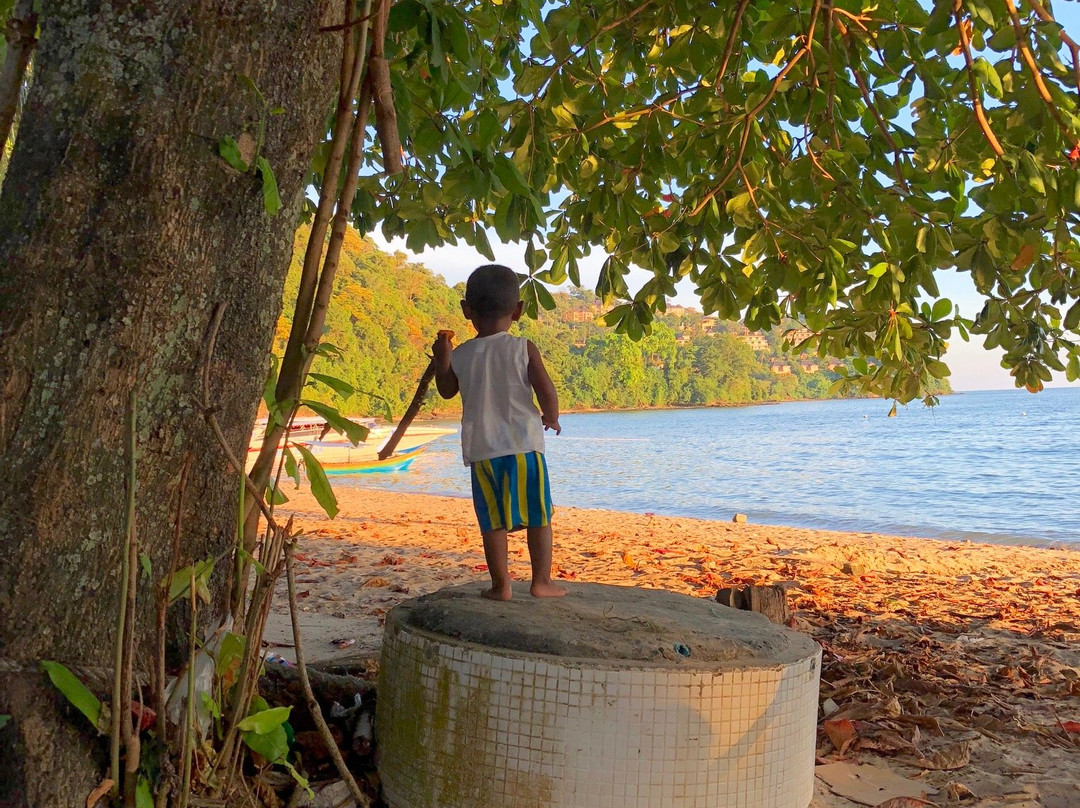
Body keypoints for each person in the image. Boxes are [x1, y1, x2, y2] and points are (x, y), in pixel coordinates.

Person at [432, 264, 568, 601]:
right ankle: (540, 582)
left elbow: (447, 390)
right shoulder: (523, 347)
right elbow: (545, 390)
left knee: (492, 522)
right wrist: (550, 417)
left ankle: (501, 585)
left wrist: (443, 359)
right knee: (538, 516)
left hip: (482, 450)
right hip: (523, 445)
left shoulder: (461, 353)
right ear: (518, 310)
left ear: (467, 310)